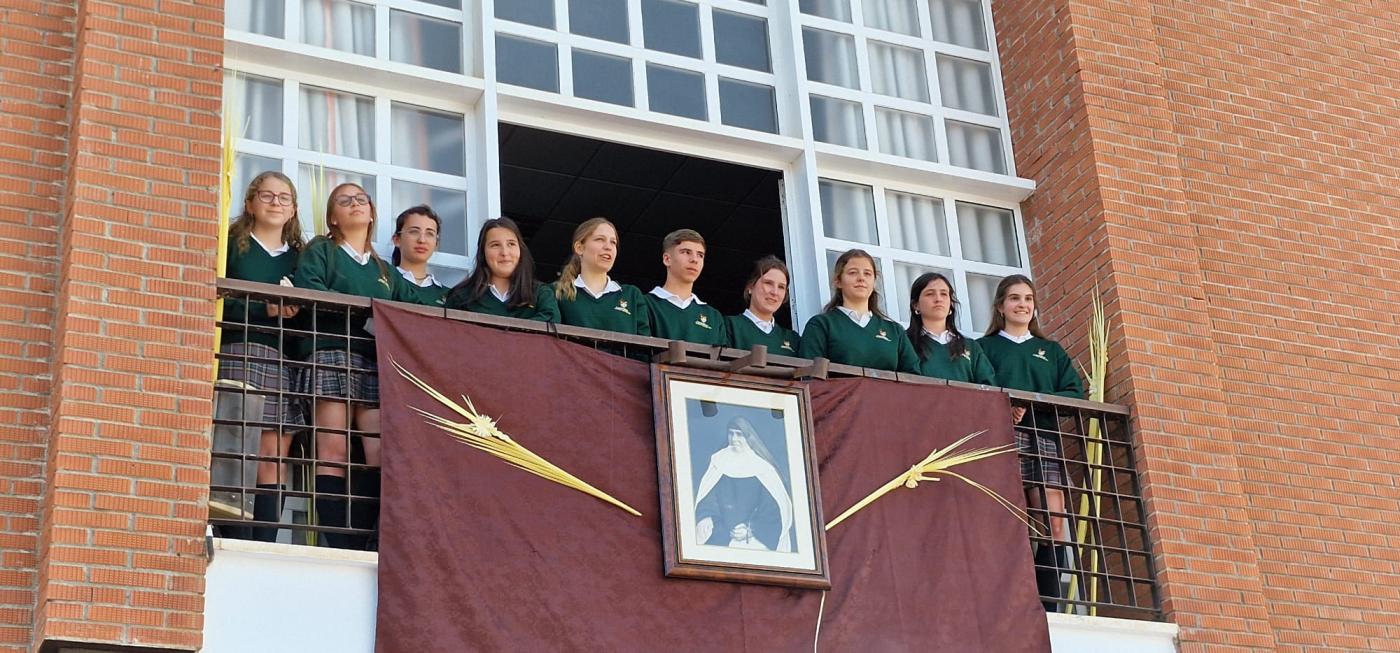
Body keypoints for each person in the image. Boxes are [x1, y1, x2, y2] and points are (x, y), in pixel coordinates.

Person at [293, 182, 427, 549]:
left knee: (379, 454)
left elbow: (415, 303)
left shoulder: (384, 268)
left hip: (373, 362)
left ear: (372, 213)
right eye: (344, 200)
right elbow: (312, 288)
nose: (354, 204)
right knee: (333, 451)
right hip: (331, 354)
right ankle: (337, 539)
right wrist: (368, 310)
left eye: (361, 199)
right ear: (333, 217)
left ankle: (370, 539)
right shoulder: (322, 249)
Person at [977, 274, 1085, 607]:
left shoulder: (1050, 350)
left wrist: (1033, 400)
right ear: (1000, 306)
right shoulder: (984, 348)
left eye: (1027, 298)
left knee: (1053, 518)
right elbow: (978, 387)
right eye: (1014, 298)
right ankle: (1019, 601)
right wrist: (1005, 407)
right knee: (1013, 523)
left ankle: (1051, 604)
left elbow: (1074, 392)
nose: (1022, 304)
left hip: (1044, 438)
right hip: (1002, 440)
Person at [218, 171, 305, 541]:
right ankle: (233, 536)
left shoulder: (302, 259)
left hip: (280, 359)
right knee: (235, 450)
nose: (275, 203)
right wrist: (263, 310)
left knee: (272, 455)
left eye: (284, 198)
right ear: (250, 202)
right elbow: (217, 302)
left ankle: (264, 541)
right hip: (237, 350)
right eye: (266, 195)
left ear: (293, 210)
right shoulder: (230, 245)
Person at [797, 249, 918, 373]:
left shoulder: (895, 331)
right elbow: (810, 378)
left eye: (867, 273)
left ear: (874, 282)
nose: (861, 278)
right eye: (853, 273)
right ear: (838, 281)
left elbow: (913, 379)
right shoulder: (821, 325)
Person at [694, 416, 793, 552]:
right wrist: (705, 517)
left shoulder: (763, 469)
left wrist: (751, 530)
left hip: (754, 536)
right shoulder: (719, 461)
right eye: (731, 433)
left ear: (748, 437)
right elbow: (707, 498)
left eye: (739, 435)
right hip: (721, 530)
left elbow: (774, 511)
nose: (734, 439)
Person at [445, 217, 558, 321]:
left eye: (511, 244)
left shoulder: (541, 294)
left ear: (520, 250)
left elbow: (552, 323)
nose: (504, 252)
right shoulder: (461, 297)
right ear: (483, 253)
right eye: (495, 245)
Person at [553, 217, 651, 336]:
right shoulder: (556, 292)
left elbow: (644, 348)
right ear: (579, 247)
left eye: (613, 242)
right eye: (600, 239)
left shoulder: (632, 295)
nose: (608, 247)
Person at [905, 272, 996, 385]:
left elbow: (989, 391)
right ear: (916, 305)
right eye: (930, 294)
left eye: (944, 294)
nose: (938, 299)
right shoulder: (904, 342)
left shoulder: (971, 347)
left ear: (951, 304)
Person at [646, 229, 727, 346]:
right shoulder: (645, 304)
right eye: (686, 252)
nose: (694, 259)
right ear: (667, 259)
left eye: (700, 255)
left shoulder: (714, 317)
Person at [726, 256, 800, 355]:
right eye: (768, 283)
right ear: (750, 286)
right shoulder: (729, 325)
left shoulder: (793, 339)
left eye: (781, 287)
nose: (775, 292)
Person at [391, 205, 450, 306]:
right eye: (414, 231)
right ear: (397, 239)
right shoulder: (386, 280)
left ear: (436, 244)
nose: (422, 240)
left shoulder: (448, 296)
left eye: (430, 234)